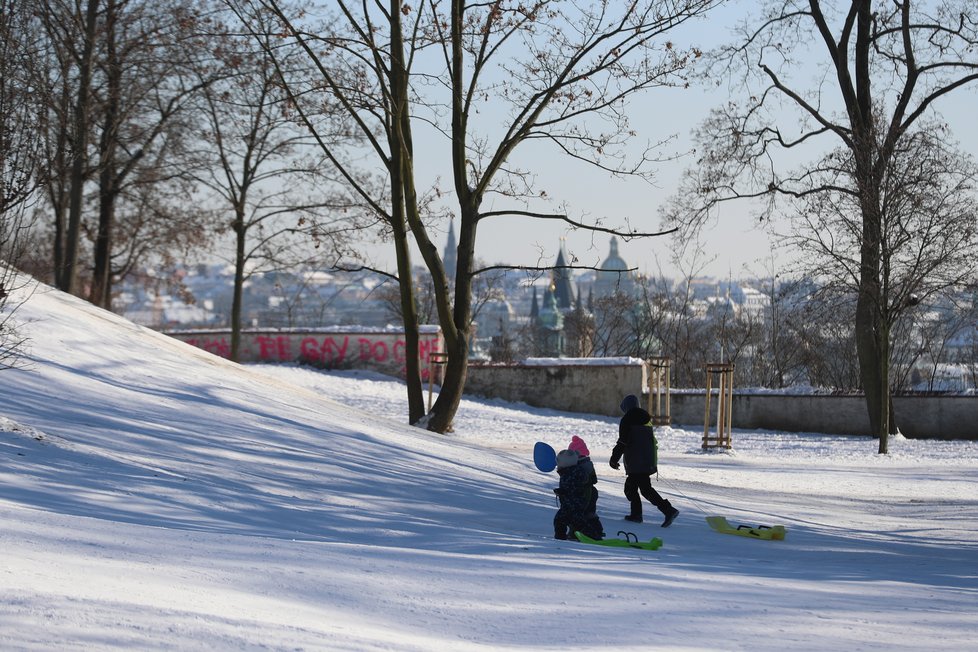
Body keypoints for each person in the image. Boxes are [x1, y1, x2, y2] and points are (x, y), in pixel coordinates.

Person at [609, 394, 679, 527]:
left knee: (632, 488)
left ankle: (660, 511)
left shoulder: (627, 420)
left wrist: (614, 459)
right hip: (646, 459)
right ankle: (657, 511)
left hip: (635, 461)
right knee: (642, 488)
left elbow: (623, 441)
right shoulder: (647, 420)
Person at [553, 439, 605, 541]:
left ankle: (594, 536)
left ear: (565, 464)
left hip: (573, 505)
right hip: (571, 504)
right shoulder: (569, 472)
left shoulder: (571, 474)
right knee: (564, 520)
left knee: (577, 522)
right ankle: (561, 537)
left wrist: (562, 491)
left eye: (559, 463)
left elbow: (572, 489)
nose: (557, 466)